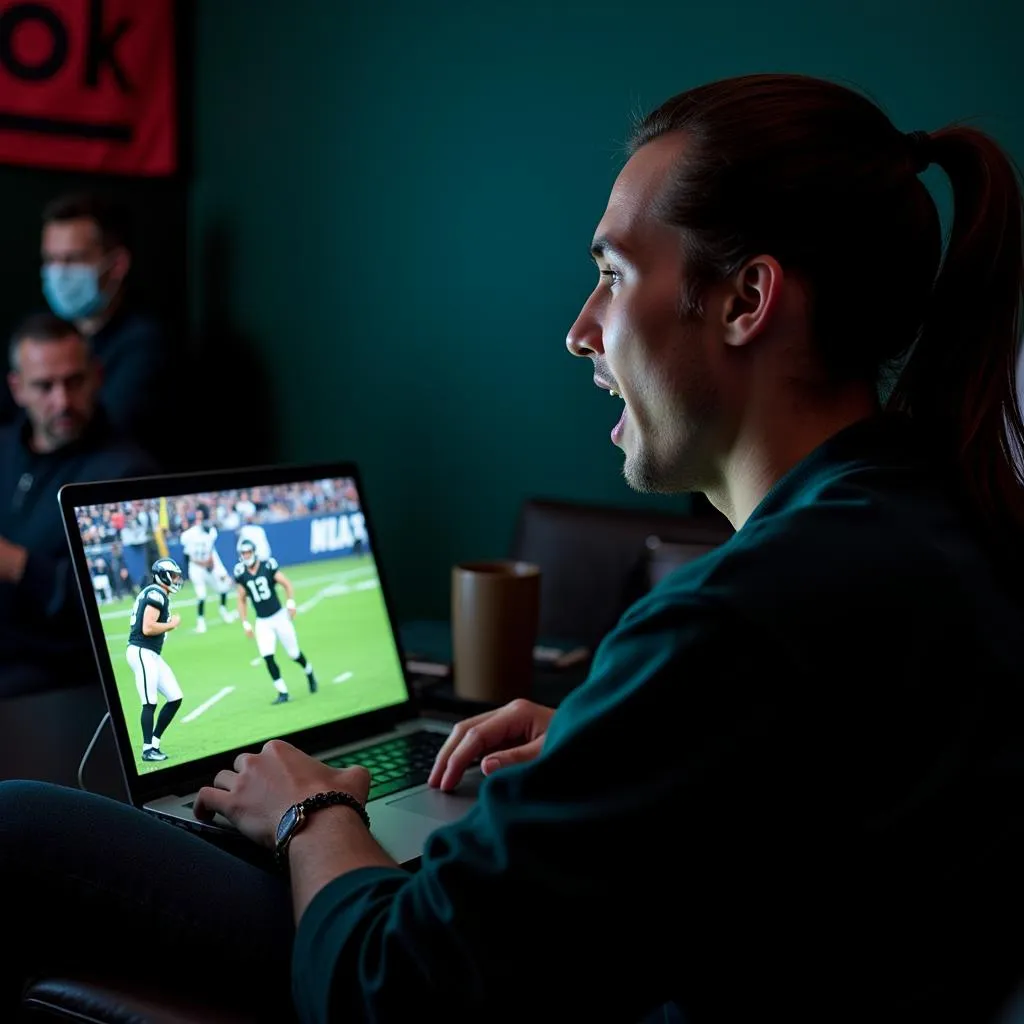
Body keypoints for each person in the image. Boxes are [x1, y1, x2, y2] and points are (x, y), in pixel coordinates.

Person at [0, 71, 1023, 1023]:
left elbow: (388, 989)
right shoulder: (930, 520)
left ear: (746, 300)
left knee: (21, 824)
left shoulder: (736, 620)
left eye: (612, 274)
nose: (581, 330)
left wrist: (313, 809)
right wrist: (613, 731)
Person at [0, 312, 158, 697]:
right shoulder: (5, 448)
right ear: (18, 388)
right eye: (44, 386)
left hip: (57, 674)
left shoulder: (126, 471)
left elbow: (122, 601)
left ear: (97, 376)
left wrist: (14, 563)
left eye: (74, 382)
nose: (63, 400)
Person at [2, 191, 172, 464]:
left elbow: (102, 434)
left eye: (72, 260)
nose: (59, 273)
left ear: (117, 264)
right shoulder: (37, 335)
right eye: (51, 260)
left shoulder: (146, 346)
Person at [234, 538, 318, 703]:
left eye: (248, 552)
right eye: (243, 553)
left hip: (279, 617)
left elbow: (287, 584)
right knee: (267, 656)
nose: (246, 555)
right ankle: (282, 692)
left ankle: (309, 671)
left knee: (294, 654)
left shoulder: (268, 566)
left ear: (254, 552)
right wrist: (245, 622)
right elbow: (241, 598)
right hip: (262, 622)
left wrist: (291, 603)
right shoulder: (240, 573)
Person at [126, 557, 185, 763]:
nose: (176, 580)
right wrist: (172, 624)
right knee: (149, 701)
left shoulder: (157, 592)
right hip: (142, 650)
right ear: (163, 576)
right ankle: (147, 749)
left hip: (151, 653)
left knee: (175, 696)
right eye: (174, 576)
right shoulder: (156, 593)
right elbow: (148, 627)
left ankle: (155, 742)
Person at [179, 502, 237, 633]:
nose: (201, 521)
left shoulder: (211, 532)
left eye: (202, 518)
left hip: (208, 566)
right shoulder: (190, 534)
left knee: (223, 588)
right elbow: (190, 556)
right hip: (196, 567)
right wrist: (204, 563)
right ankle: (201, 623)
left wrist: (216, 569)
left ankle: (223, 611)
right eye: (198, 518)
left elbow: (212, 552)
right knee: (201, 594)